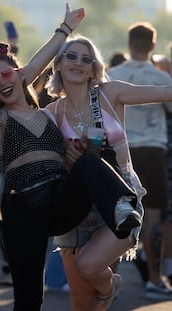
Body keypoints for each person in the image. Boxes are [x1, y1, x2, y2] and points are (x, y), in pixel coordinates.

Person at [0, 5, 143, 310]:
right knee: (28, 297)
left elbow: (37, 64)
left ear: (20, 75)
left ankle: (124, 210)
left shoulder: (48, 113)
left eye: (8, 74)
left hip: (60, 200)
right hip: (22, 209)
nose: (2, 82)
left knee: (89, 160)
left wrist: (65, 28)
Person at [42, 34, 152, 310]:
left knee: (89, 267)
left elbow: (163, 92)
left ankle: (110, 284)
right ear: (57, 65)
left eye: (86, 58)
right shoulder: (52, 112)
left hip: (119, 199)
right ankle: (108, 288)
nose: (79, 62)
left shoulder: (109, 93)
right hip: (77, 201)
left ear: (94, 68)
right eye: (71, 56)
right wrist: (69, 157)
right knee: (82, 302)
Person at [108, 22, 172, 300]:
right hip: (153, 149)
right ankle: (154, 279)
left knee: (116, 212)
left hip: (122, 149)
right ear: (153, 45)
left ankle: (109, 277)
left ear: (130, 43)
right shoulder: (160, 77)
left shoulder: (114, 74)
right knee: (154, 214)